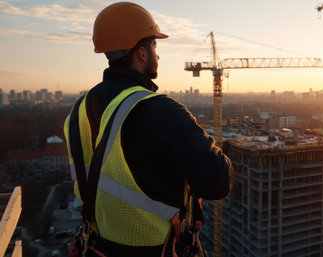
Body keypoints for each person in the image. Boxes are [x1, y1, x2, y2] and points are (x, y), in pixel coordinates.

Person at [63, 2, 233, 256]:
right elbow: (219, 182)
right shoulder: (160, 112)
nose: (158, 53)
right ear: (141, 53)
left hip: (98, 247)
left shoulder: (78, 111)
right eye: (155, 45)